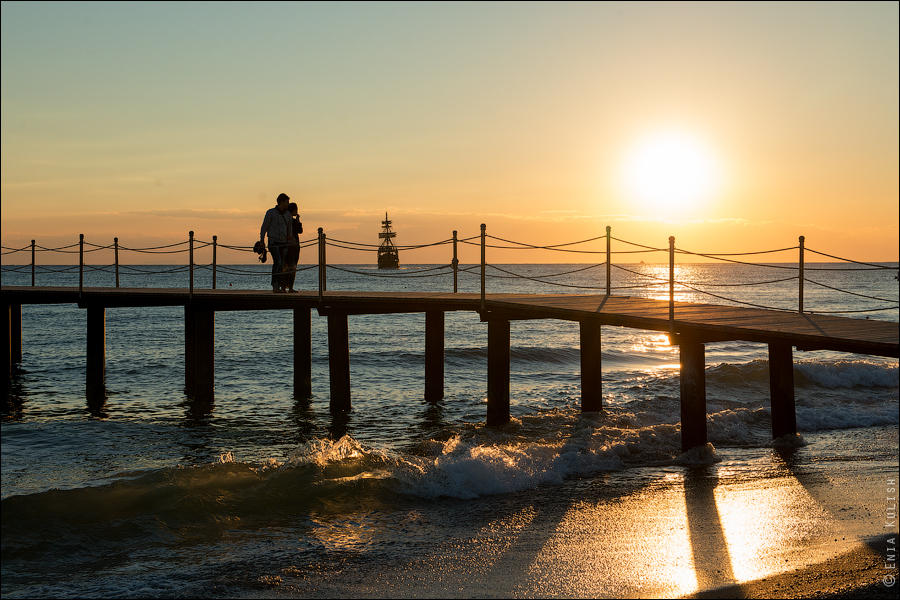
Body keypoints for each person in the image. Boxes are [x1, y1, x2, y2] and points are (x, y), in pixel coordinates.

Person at [259, 193, 293, 292]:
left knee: (283, 264)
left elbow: (289, 228)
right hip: (273, 242)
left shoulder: (288, 215)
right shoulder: (270, 213)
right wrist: (262, 240)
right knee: (278, 262)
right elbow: (264, 227)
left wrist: (289, 239)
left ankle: (281, 286)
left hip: (284, 242)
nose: (288, 204)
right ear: (281, 202)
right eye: (287, 202)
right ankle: (275, 285)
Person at [283, 202, 303, 293]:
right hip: (293, 246)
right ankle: (290, 287)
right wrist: (298, 219)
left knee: (285, 266)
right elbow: (300, 230)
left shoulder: (285, 220)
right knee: (292, 267)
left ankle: (283, 287)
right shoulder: (293, 221)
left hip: (286, 245)